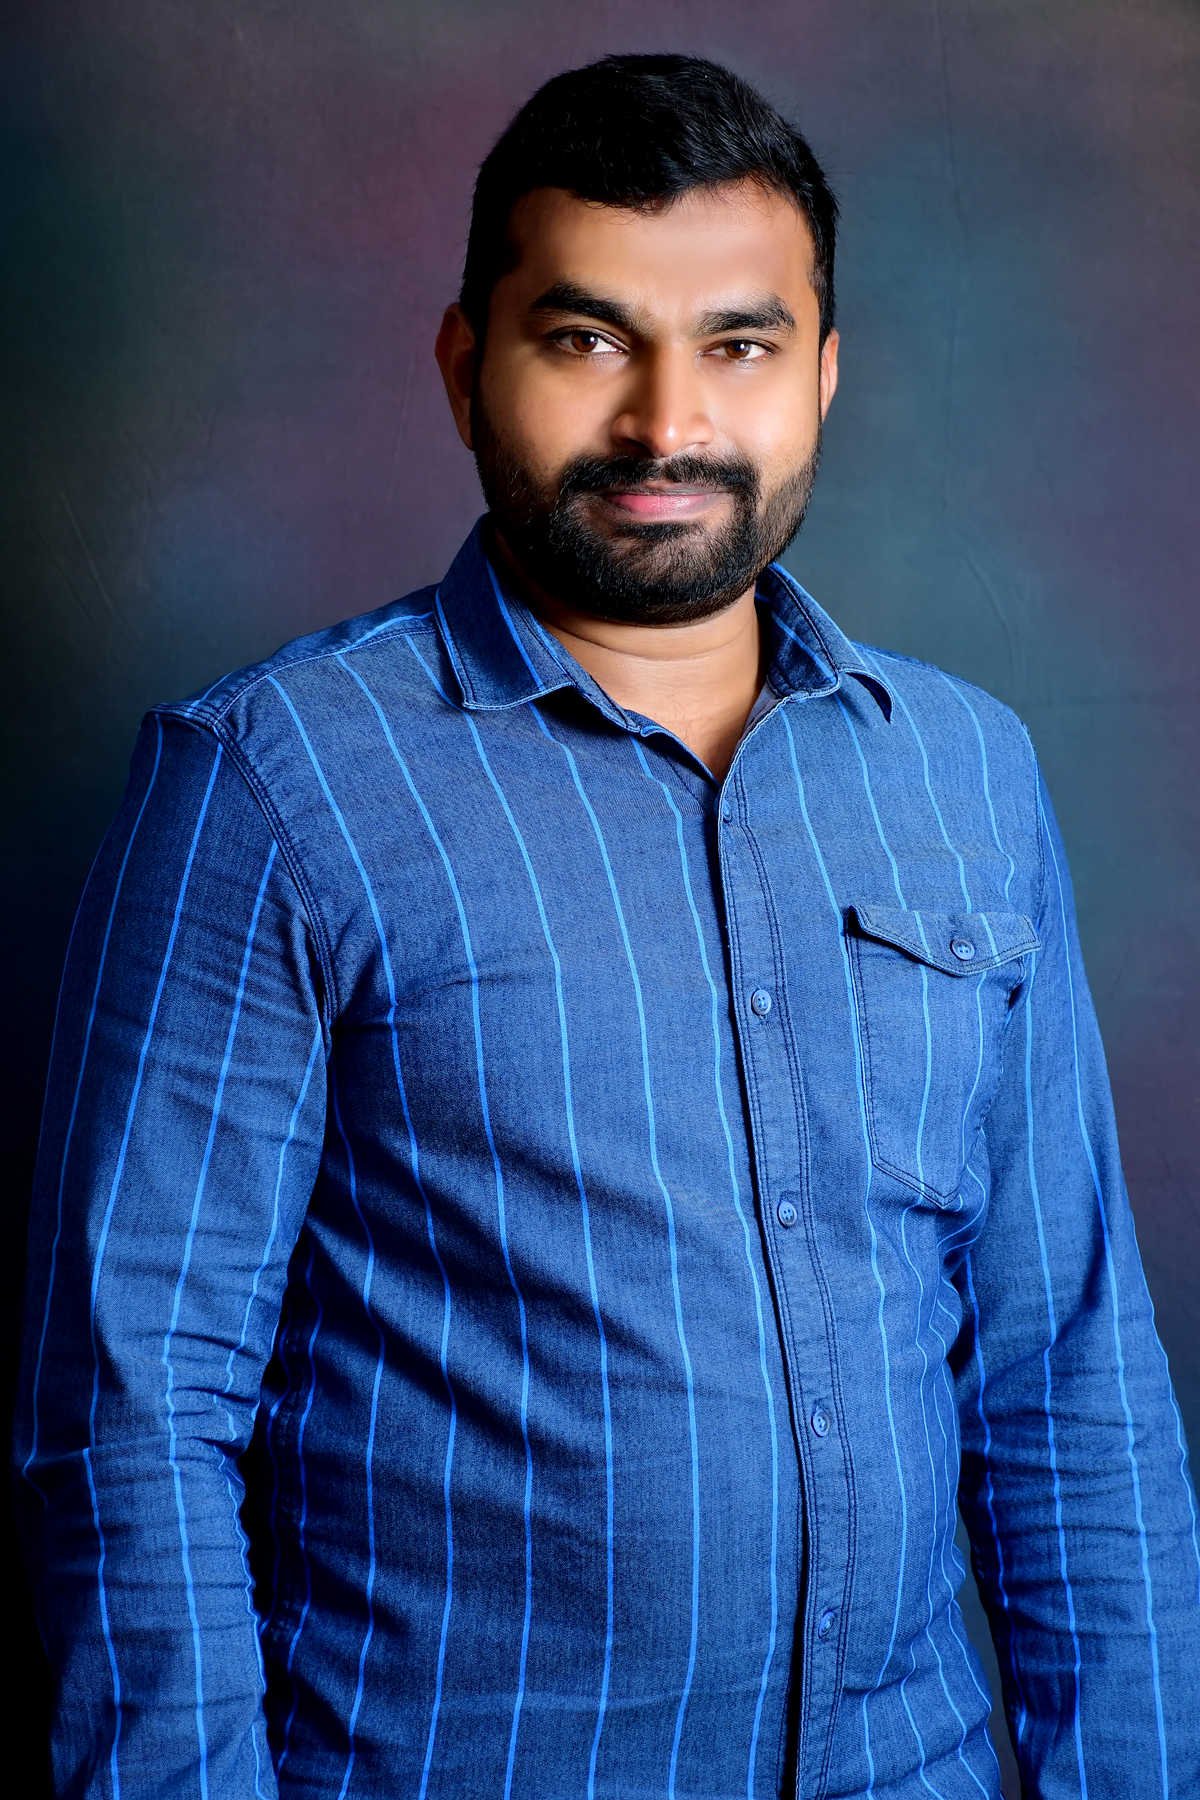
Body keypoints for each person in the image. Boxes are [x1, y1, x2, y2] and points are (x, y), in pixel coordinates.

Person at [15, 51, 1200, 1800]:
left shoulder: (966, 772)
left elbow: (1070, 1372)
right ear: (464, 365)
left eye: (739, 345)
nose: (666, 424)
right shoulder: (274, 784)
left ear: (823, 373)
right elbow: (131, 1417)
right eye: (586, 339)